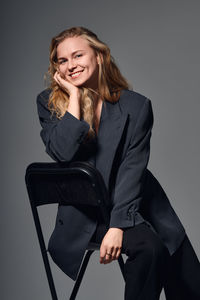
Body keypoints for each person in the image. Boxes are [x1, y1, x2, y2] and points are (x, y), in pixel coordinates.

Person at [36, 27, 200, 300]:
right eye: (62, 60)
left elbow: (132, 169)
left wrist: (118, 225)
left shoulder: (136, 106)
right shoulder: (48, 103)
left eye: (78, 55)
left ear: (99, 56)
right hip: (86, 214)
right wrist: (74, 99)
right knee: (151, 247)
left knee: (188, 275)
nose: (71, 65)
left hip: (137, 200)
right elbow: (63, 152)